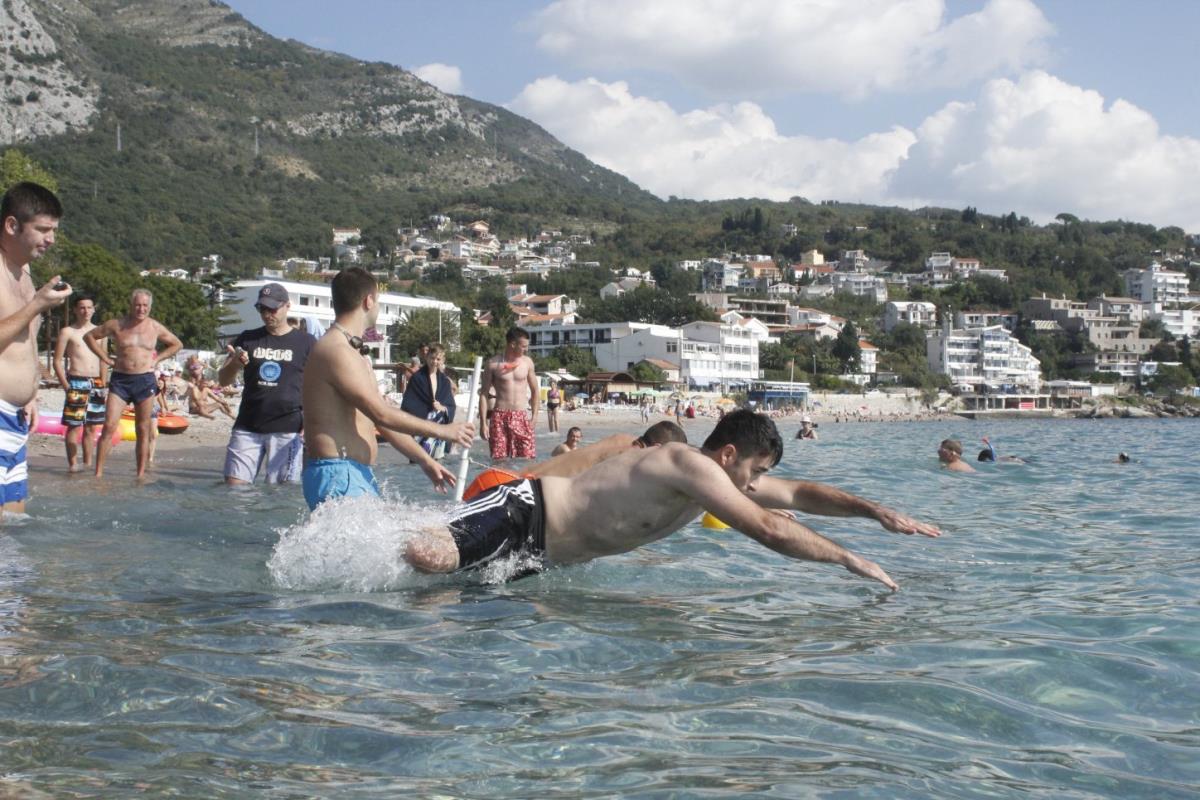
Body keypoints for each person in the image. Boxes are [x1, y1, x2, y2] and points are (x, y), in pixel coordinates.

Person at [404, 410, 939, 590]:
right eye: (754, 472)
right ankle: (364, 544)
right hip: (521, 512)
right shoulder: (689, 464)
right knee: (431, 558)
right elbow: (770, 528)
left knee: (438, 600)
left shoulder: (720, 478)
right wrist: (847, 557)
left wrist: (874, 511)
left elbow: (799, 494)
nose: (755, 486)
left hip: (537, 560)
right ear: (729, 454)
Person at [300, 267, 474, 510]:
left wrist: (424, 459)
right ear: (368, 301)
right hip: (338, 474)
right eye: (378, 301)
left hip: (353, 474)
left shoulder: (352, 352)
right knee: (419, 546)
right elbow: (382, 413)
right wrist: (444, 431)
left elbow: (379, 422)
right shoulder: (337, 351)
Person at [0, 182, 71, 515]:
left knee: (14, 523)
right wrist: (37, 304)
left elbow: (24, 343)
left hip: (16, 416)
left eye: (53, 230)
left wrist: (31, 395)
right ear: (12, 225)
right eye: (43, 229)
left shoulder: (25, 274)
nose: (51, 238)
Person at [218, 283, 316, 485]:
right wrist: (235, 364)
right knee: (233, 490)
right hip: (247, 425)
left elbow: (317, 385)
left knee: (280, 496)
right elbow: (223, 380)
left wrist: (311, 419)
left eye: (272, 308)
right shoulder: (247, 338)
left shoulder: (306, 342)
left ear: (287, 306)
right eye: (262, 308)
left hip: (287, 428)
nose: (266, 314)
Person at [85, 289, 183, 478]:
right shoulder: (117, 324)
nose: (141, 309)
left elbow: (176, 344)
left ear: (150, 307)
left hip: (144, 380)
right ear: (131, 305)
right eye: (138, 305)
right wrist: (105, 358)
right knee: (109, 425)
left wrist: (157, 359)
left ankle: (140, 475)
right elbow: (89, 336)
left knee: (143, 428)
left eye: (145, 305)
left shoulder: (154, 327)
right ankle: (98, 473)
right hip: (121, 379)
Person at [53, 295, 108, 473]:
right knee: (74, 426)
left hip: (96, 382)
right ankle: (73, 465)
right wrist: (66, 386)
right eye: (82, 307)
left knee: (92, 427)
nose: (86, 311)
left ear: (94, 310)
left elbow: (103, 360)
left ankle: (88, 464)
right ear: (76, 310)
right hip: (76, 381)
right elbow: (57, 361)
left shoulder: (100, 332)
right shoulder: (67, 332)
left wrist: (103, 384)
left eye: (89, 307)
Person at [480, 326, 538, 462]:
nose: (526, 350)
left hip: (521, 416)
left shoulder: (527, 363)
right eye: (523, 346)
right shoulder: (492, 364)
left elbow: (535, 391)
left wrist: (534, 417)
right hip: (499, 416)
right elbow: (483, 394)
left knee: (526, 459)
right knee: (499, 460)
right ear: (512, 344)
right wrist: (483, 423)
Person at [400, 342, 455, 461]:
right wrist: (427, 411)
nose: (435, 361)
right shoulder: (417, 378)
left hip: (438, 431)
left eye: (438, 359)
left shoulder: (445, 381)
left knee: (438, 466)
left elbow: (451, 405)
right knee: (417, 465)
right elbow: (408, 404)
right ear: (427, 357)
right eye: (432, 358)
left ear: (443, 360)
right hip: (420, 429)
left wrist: (443, 408)